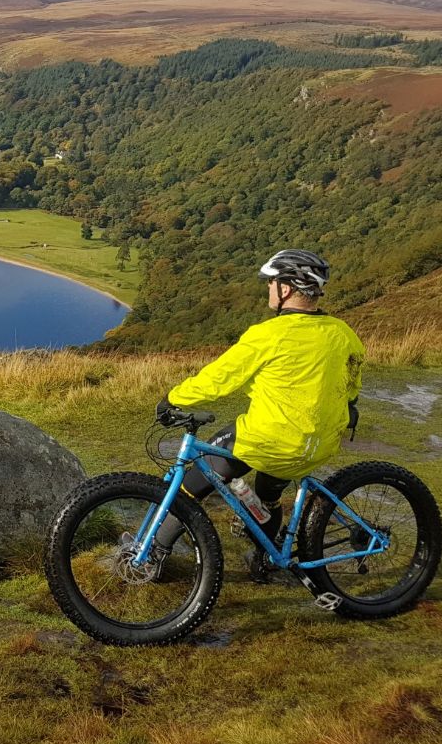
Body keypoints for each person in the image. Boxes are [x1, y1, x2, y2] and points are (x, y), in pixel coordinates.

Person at [153, 249, 365, 582]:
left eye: (272, 282)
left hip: (267, 440)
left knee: (194, 482)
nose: (268, 288)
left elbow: (219, 378)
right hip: (316, 445)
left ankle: (152, 557)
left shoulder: (268, 335)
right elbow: (352, 387)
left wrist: (172, 399)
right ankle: (265, 556)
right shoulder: (344, 334)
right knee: (267, 493)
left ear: (287, 289)